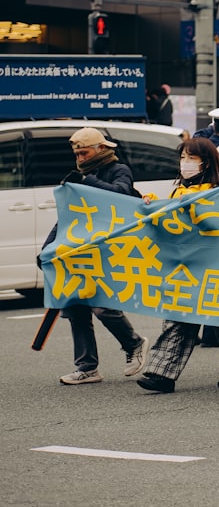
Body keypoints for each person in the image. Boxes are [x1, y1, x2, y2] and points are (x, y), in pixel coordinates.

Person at [137, 139, 219, 393]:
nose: (185, 163)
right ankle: (161, 373)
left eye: (191, 158)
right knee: (179, 316)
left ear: (205, 163)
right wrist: (153, 203)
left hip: (213, 266)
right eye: (183, 157)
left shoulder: (218, 191)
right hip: (183, 266)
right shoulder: (178, 191)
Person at [55, 128, 149, 385]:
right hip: (81, 248)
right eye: (76, 153)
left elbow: (120, 194)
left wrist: (86, 182)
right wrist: (49, 246)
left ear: (101, 149)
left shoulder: (118, 169)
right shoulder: (83, 175)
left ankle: (134, 343)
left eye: (84, 152)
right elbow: (68, 216)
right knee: (75, 307)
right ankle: (87, 367)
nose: (80, 157)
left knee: (102, 305)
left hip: (109, 249)